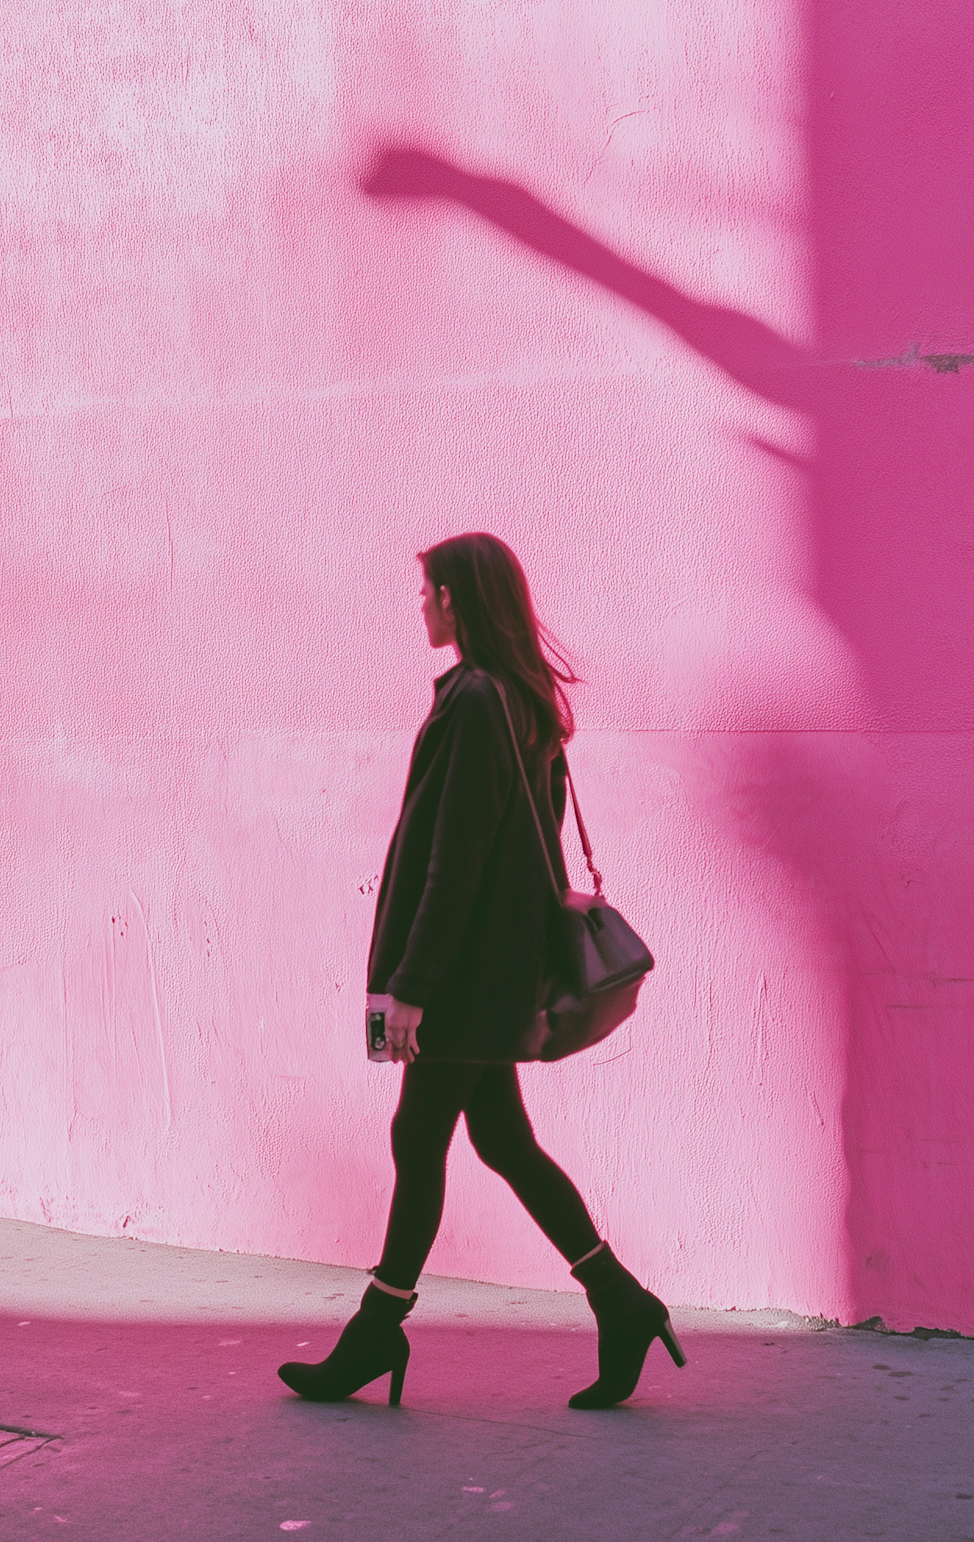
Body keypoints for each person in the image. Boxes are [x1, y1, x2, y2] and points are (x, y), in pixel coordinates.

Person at [278, 533, 685, 1410]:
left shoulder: (473, 700)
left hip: (459, 982)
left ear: (457, 599)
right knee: (499, 1140)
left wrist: (412, 988)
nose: (420, 605)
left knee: (419, 1140)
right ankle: (621, 1302)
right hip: (494, 976)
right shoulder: (523, 699)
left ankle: (375, 1333)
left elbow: (451, 861)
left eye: (427, 591)